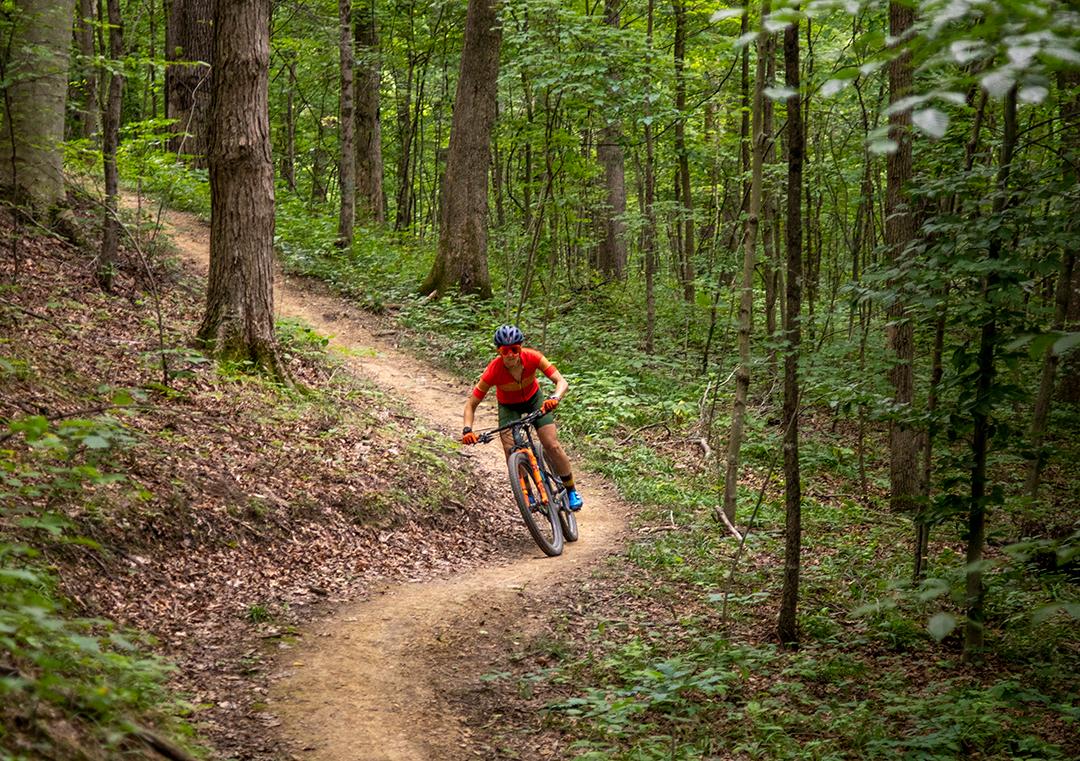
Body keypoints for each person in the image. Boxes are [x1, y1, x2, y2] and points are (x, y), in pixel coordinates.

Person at [461, 324, 583, 511]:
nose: (510, 354)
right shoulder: (493, 370)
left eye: (514, 349)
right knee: (511, 450)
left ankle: (571, 489)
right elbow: (471, 404)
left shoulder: (533, 357)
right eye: (505, 351)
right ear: (499, 352)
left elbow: (561, 382)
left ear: (520, 348)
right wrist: (467, 430)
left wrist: (554, 398)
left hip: (534, 400)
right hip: (508, 407)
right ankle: (527, 492)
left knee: (552, 444)